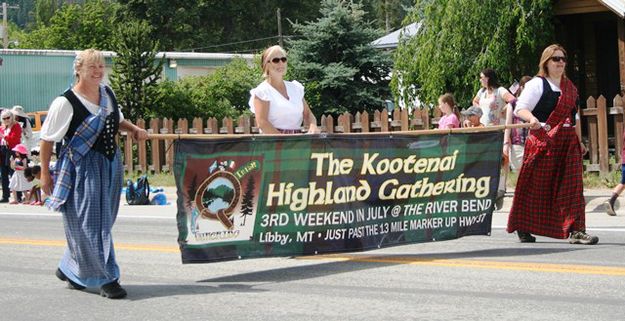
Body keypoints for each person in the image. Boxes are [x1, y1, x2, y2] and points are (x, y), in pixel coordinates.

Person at [39, 49, 148, 299]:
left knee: (103, 221)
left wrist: (133, 129)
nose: (98, 71)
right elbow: (46, 140)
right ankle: (106, 278)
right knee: (91, 224)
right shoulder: (65, 102)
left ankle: (71, 268)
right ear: (78, 70)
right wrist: (46, 175)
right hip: (82, 167)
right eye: (92, 67)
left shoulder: (107, 93)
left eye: (101, 66)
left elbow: (116, 120)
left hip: (110, 163)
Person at [507, 44, 597, 245]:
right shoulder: (537, 84)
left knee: (573, 187)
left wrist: (579, 140)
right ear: (546, 62)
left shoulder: (570, 88)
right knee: (536, 187)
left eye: (563, 59)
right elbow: (520, 108)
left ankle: (577, 230)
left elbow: (575, 117)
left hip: (567, 142)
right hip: (543, 141)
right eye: (556, 59)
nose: (560, 62)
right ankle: (523, 224)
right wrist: (531, 119)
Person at [249, 45, 320, 134]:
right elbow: (263, 123)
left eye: (283, 59)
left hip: (297, 142)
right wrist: (284, 142)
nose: (281, 63)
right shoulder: (262, 91)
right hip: (273, 143)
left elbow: (308, 114)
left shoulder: (295, 88)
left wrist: (313, 126)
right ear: (266, 65)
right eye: (276, 60)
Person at [503, 76, 532, 172]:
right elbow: (508, 125)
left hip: (533, 143)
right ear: (521, 87)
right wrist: (506, 143)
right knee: (519, 173)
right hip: (517, 143)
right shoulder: (513, 103)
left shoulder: (535, 103)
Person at [0, 109, 22, 202]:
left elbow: (14, 139)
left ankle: (18, 196)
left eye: (8, 117)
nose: (6, 120)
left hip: (13, 151)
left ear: (11, 117)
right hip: (2, 150)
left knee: (14, 173)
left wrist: (4, 136)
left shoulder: (16, 126)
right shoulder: (2, 127)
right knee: (3, 174)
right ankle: (5, 196)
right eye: (4, 118)